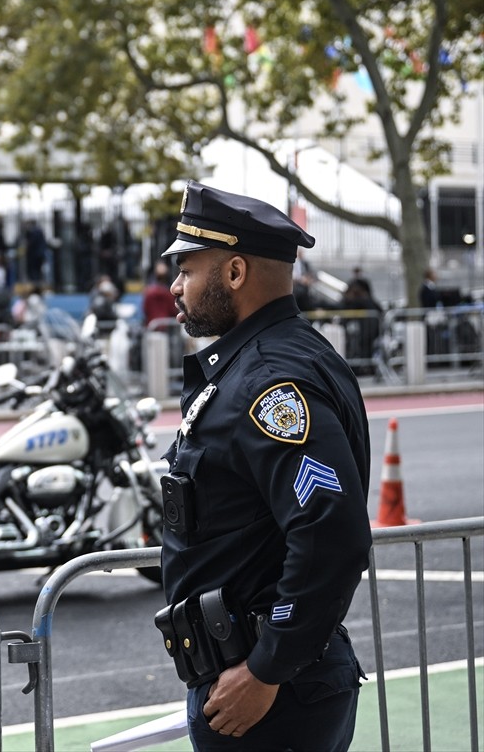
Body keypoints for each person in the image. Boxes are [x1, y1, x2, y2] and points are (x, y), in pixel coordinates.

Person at [157, 180, 371, 750]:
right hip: (261, 677)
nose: (175, 286)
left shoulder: (269, 382)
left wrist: (266, 670)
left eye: (187, 267)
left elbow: (332, 534)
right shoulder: (265, 362)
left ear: (234, 273)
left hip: (267, 692)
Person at [142, 260, 178, 329]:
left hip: (152, 328)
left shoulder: (148, 293)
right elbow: (173, 311)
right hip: (166, 328)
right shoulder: (169, 294)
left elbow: (145, 310)